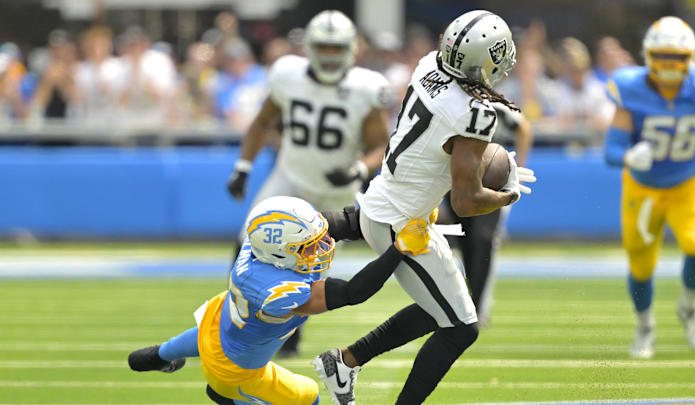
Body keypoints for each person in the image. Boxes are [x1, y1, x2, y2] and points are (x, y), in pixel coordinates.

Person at [312, 10, 536, 405]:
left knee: (445, 308)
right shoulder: (475, 114)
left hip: (390, 200)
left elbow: (437, 143)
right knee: (462, 327)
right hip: (401, 223)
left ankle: (345, 361)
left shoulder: (427, 64)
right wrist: (509, 193)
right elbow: (467, 204)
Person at [128, 196, 430, 405]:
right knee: (307, 396)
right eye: (308, 247)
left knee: (206, 337)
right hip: (235, 369)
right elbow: (354, 292)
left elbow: (335, 226)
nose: (320, 248)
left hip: (218, 322)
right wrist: (399, 249)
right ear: (281, 252)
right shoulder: (279, 292)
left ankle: (160, 356)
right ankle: (227, 396)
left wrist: (394, 218)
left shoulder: (258, 246)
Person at [226, 10, 391, 357]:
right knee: (245, 243)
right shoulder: (287, 74)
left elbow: (381, 144)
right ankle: (237, 323)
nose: (330, 55)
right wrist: (243, 166)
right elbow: (262, 122)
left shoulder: (366, 87)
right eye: (323, 48)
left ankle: (288, 338)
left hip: (335, 193)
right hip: (290, 178)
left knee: (307, 270)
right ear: (310, 48)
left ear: (350, 49)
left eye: (337, 48)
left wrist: (359, 168)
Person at [604, 16, 695, 359]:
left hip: (689, 183)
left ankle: (688, 307)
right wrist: (628, 157)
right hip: (643, 189)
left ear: (692, 58)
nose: (669, 65)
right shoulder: (630, 88)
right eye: (663, 56)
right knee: (641, 267)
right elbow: (611, 152)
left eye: (677, 57)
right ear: (648, 56)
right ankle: (645, 325)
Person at [444, 101, 533, 328]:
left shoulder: (493, 105)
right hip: (456, 180)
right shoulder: (447, 103)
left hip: (490, 182)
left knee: (483, 239)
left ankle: (479, 308)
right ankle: (468, 306)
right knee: (465, 243)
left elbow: (523, 127)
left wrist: (518, 166)